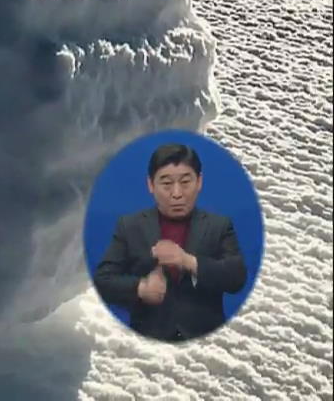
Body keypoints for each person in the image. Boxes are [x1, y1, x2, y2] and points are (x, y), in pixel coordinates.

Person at [93, 142, 247, 341]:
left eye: (185, 182)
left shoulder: (219, 226)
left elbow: (237, 276)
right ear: (150, 185)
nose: (176, 193)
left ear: (199, 182)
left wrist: (188, 262)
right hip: (146, 342)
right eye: (166, 184)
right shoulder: (129, 226)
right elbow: (103, 281)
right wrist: (141, 288)